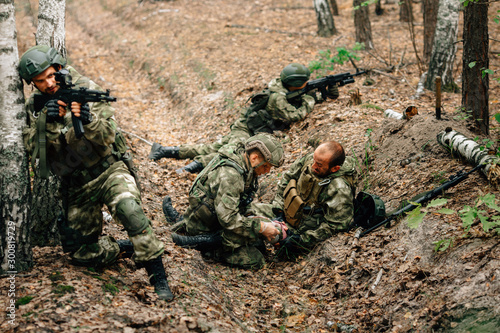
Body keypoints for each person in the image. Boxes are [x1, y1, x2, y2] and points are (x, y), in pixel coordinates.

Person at [19, 45, 174, 301]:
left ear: (58, 68)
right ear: (32, 84)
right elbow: (38, 154)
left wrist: (89, 121)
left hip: (109, 168)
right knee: (82, 254)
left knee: (130, 210)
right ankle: (123, 247)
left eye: (50, 76)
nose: (48, 84)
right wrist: (47, 122)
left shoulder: (84, 88)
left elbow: (106, 137)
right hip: (77, 184)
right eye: (40, 81)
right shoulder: (35, 107)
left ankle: (158, 276)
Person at [149, 63, 339, 173]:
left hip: (250, 127)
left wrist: (322, 93)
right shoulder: (277, 97)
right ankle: (191, 168)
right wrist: (308, 100)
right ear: (296, 83)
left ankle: (165, 151)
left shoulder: (280, 88)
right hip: (246, 129)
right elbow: (294, 115)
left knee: (211, 147)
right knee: (230, 151)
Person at [167, 133, 287, 269]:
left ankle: (186, 224)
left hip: (215, 215)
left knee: (261, 237)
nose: (267, 171)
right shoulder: (231, 175)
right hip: (207, 225)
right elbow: (228, 220)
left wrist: (262, 221)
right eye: (266, 166)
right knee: (256, 259)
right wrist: (261, 227)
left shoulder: (244, 161)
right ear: (254, 158)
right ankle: (205, 245)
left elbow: (242, 202)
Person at [271, 141, 358, 258]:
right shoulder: (311, 160)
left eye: (319, 165)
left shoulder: (339, 188)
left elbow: (336, 225)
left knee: (281, 249)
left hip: (309, 227)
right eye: (314, 160)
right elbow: (288, 178)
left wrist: (300, 240)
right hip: (288, 210)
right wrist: (279, 210)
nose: (313, 166)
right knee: (251, 215)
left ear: (334, 168)